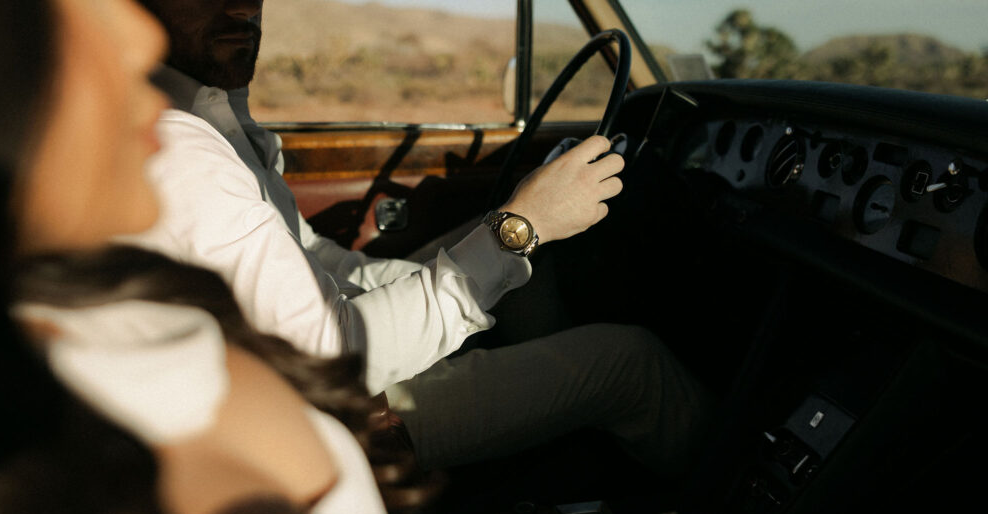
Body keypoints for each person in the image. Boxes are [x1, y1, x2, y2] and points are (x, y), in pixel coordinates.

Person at [0, 0, 988, 514]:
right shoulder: (181, 170)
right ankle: (745, 492)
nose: (128, 40)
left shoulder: (108, 293)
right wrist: (515, 232)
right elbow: (333, 354)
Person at [0, 1, 523, 514]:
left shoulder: (138, 308)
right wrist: (513, 235)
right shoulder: (26, 460)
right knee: (624, 364)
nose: (139, 36)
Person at [123, 0, 712, 476]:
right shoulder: (179, 149)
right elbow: (328, 360)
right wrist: (517, 232)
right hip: (338, 423)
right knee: (631, 362)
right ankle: (740, 505)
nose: (244, 7)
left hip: (310, 382)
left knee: (528, 277)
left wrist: (480, 261)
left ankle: (546, 449)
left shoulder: (209, 115)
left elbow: (317, 260)